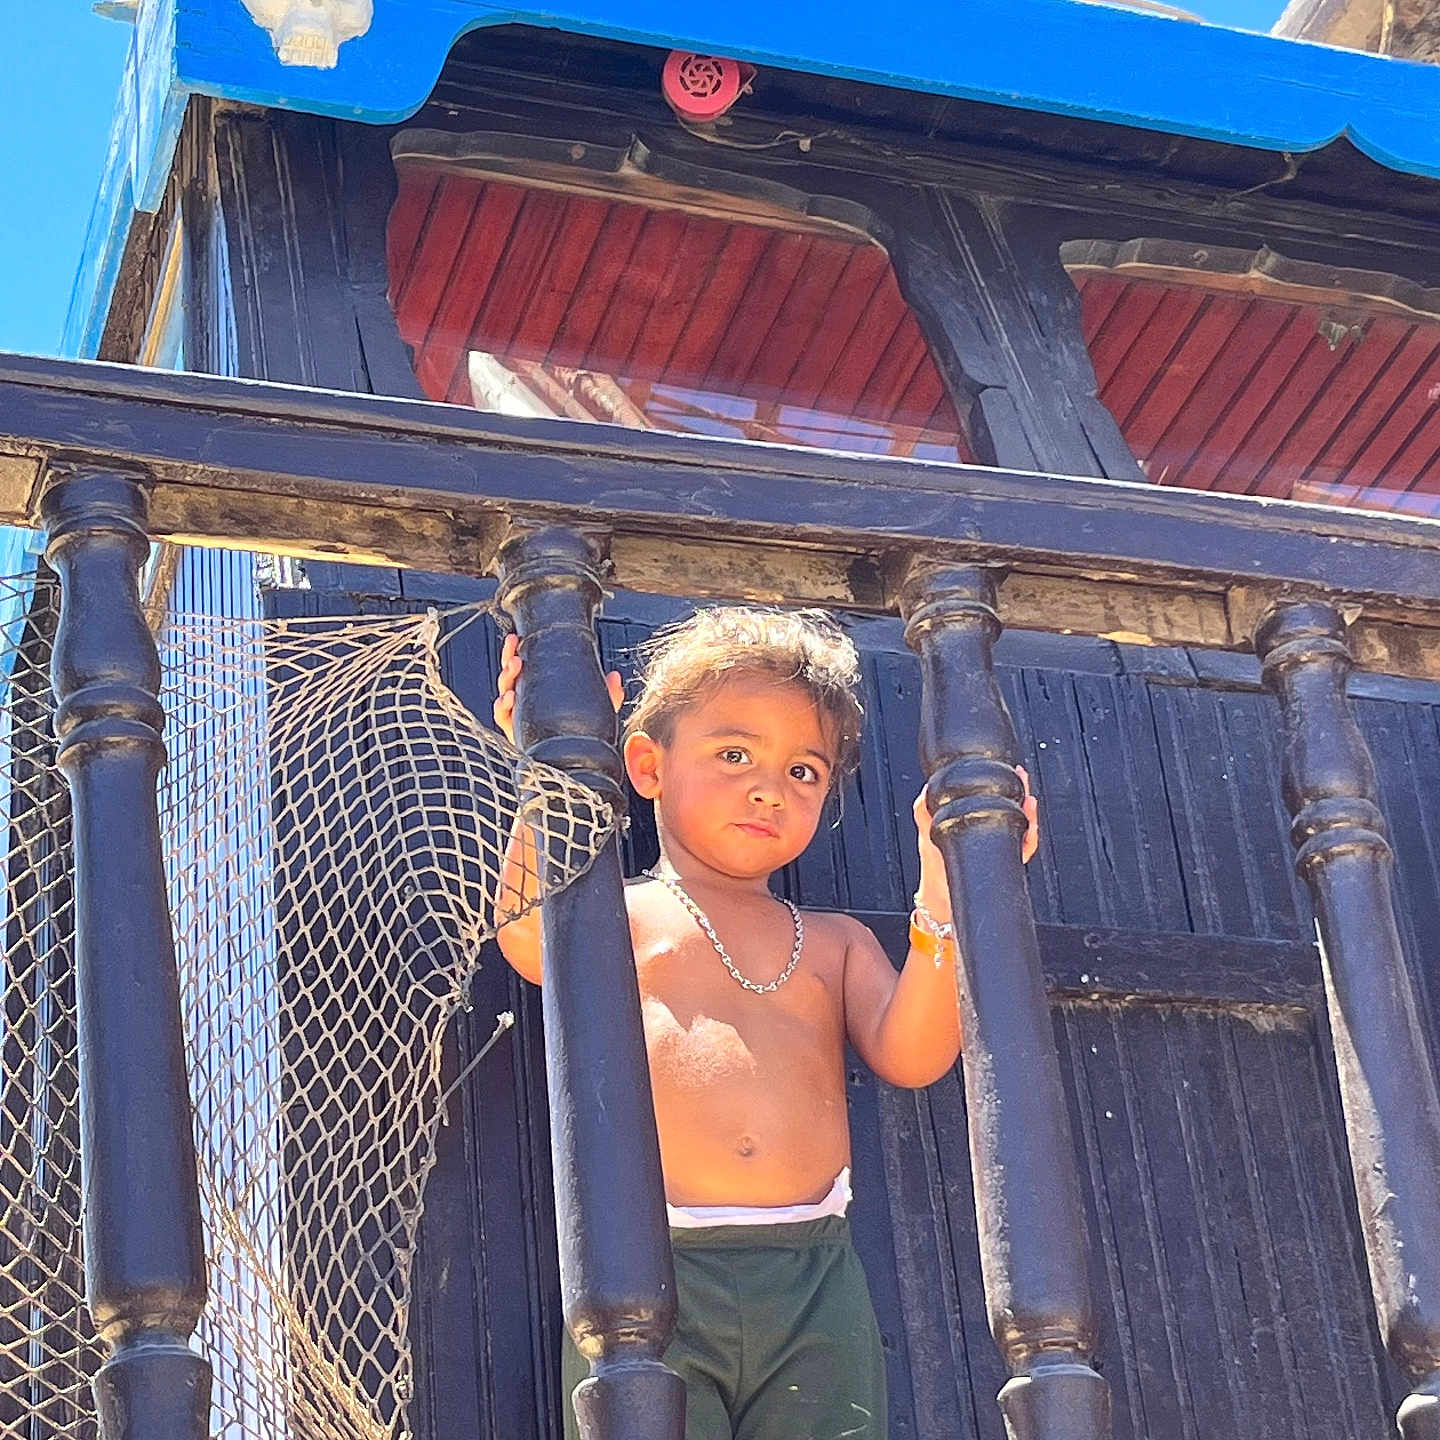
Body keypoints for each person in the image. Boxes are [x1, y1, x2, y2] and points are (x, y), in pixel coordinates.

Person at [492, 605, 1038, 1440]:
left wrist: (944, 887)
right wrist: (556, 768)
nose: (767, 788)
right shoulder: (618, 916)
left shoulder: (834, 943)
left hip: (814, 1272)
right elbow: (531, 938)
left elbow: (916, 1053)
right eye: (734, 754)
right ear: (645, 764)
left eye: (804, 772)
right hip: (648, 1268)